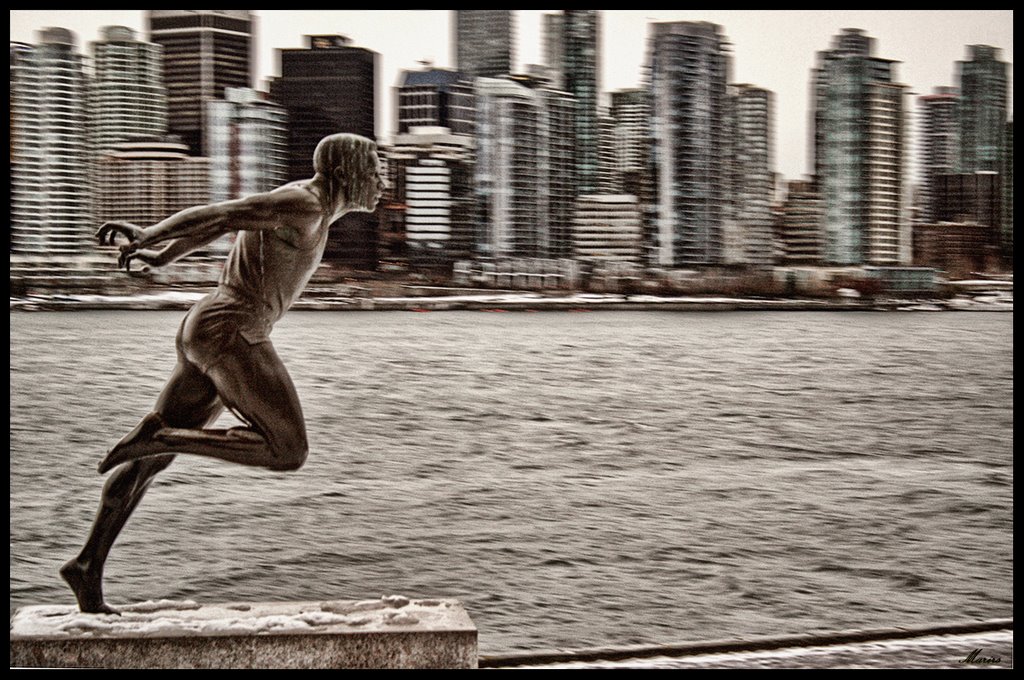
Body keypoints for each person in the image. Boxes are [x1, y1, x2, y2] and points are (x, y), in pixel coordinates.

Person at [60, 133, 385, 614]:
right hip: (232, 331)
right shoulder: (305, 203)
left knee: (146, 465)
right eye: (376, 169)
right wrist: (150, 236)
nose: (382, 181)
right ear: (347, 171)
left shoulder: (312, 210)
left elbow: (225, 226)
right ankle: (162, 435)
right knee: (287, 449)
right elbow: (220, 213)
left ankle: (87, 566)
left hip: (209, 327)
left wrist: (162, 257)